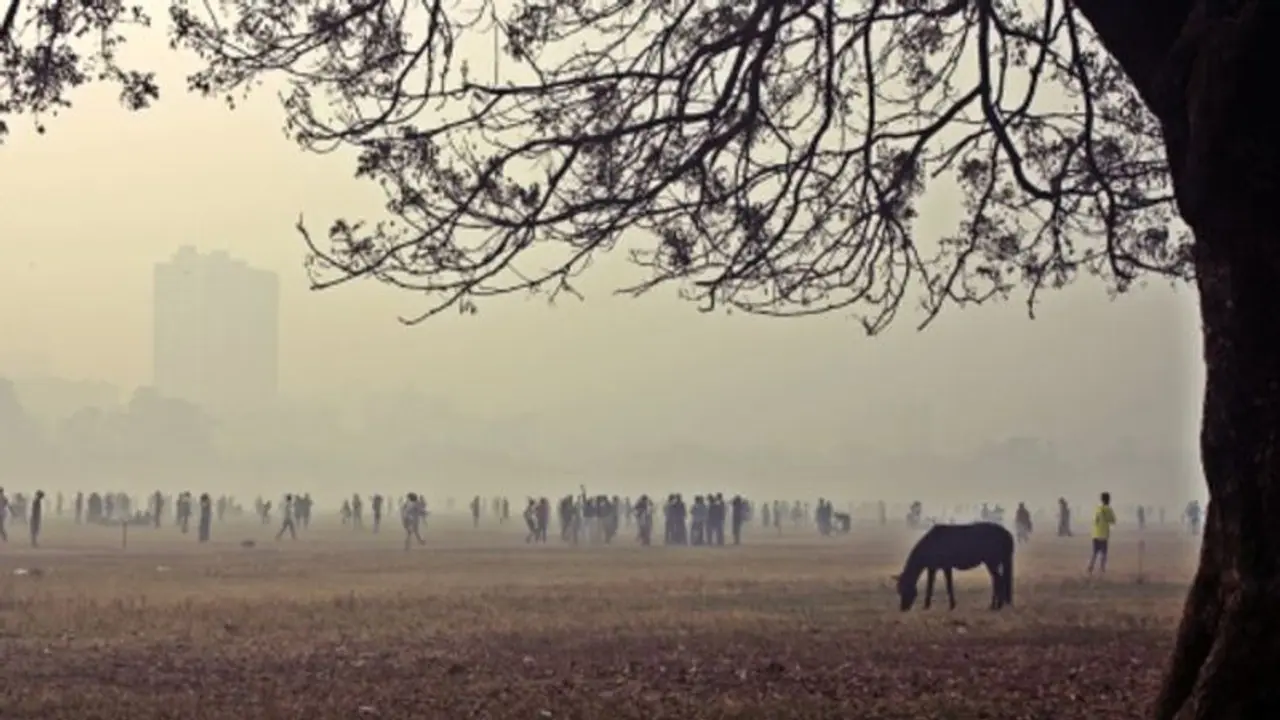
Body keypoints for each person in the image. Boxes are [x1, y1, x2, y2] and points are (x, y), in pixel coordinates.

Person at [1088, 491, 1117, 575]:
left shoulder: (1097, 508)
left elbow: (1095, 520)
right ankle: (1102, 569)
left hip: (1095, 534)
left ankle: (1090, 567)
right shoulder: (1108, 509)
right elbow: (1112, 520)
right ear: (1108, 500)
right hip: (1103, 535)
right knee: (1104, 553)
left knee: (1094, 552)